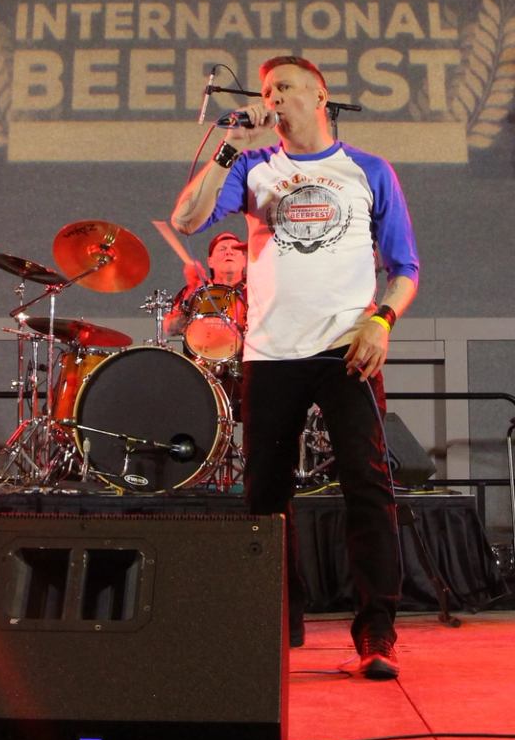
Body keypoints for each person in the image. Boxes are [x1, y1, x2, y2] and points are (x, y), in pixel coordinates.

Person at [171, 55, 420, 680]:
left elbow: (405, 268)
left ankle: (377, 631)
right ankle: (279, 622)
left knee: (368, 486)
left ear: (319, 96)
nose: (273, 96)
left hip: (347, 348)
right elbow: (186, 220)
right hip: (272, 350)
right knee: (266, 494)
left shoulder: (368, 170)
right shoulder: (253, 166)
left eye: (285, 86)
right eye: (267, 89)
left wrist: (382, 321)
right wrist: (229, 147)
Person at [164, 229, 247, 350]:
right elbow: (170, 329)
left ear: (244, 261)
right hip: (201, 358)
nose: (229, 252)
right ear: (210, 262)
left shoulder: (256, 289)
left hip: (246, 357)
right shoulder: (197, 290)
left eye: (235, 249)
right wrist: (191, 292)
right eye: (222, 249)